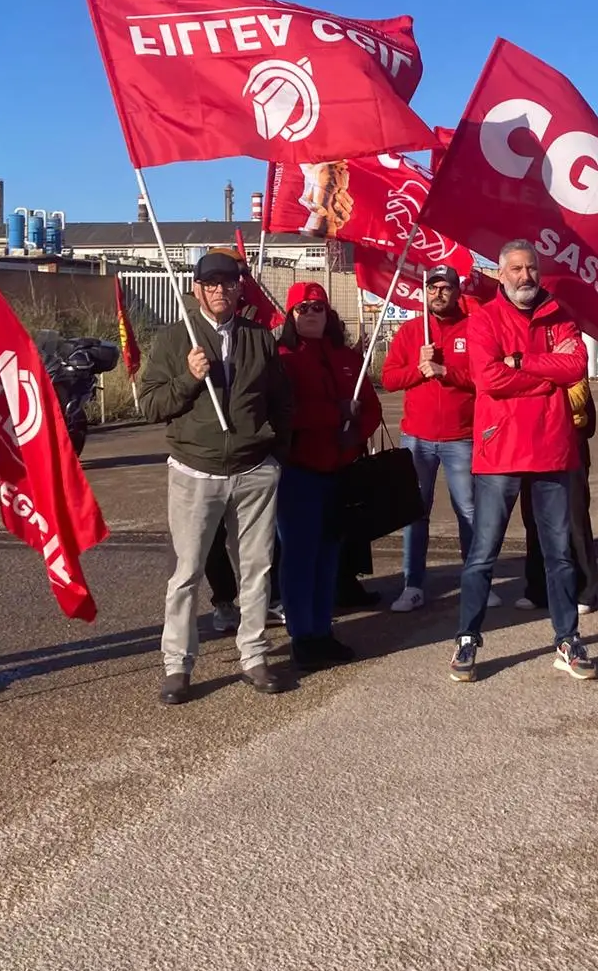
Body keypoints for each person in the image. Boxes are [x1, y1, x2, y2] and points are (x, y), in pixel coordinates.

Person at [138, 251, 294, 704]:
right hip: (194, 471)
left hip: (253, 472)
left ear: (239, 287)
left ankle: (254, 655)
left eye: (227, 282)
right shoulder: (174, 340)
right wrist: (189, 377)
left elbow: (282, 403)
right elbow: (151, 405)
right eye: (210, 283)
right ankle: (177, 665)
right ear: (196, 288)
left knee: (256, 570)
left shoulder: (260, 339)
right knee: (186, 574)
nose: (219, 290)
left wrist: (274, 454)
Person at [450, 240, 598, 683]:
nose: (524, 276)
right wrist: (544, 383)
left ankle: (567, 639)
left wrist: (524, 362)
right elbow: (489, 378)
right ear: (500, 274)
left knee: (559, 555)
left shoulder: (560, 316)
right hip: (501, 451)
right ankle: (467, 638)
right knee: (483, 554)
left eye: (531, 268)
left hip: (553, 449)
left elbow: (576, 366)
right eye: (515, 269)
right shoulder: (484, 320)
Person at [274, 281, 383, 669]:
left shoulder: (349, 359)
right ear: (290, 315)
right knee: (299, 558)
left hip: (341, 472)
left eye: (317, 307)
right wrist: (334, 414)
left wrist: (356, 432)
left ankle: (323, 630)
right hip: (299, 475)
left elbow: (370, 408)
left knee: (329, 556)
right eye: (302, 308)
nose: (311, 313)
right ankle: (302, 636)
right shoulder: (281, 359)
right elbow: (284, 414)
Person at [379, 265, 478, 613]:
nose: (439, 293)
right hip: (416, 438)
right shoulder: (410, 332)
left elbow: (484, 378)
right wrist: (418, 370)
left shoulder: (473, 329)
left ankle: (475, 581)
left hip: (461, 438)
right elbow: (389, 379)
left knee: (468, 510)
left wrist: (445, 371)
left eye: (446, 288)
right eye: (433, 287)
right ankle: (413, 584)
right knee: (415, 512)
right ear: (424, 293)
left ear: (456, 292)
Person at [520, 376, 597, 612]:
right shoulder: (523, 357)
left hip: (568, 442)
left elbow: (576, 400)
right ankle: (537, 589)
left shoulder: (569, 357)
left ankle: (585, 590)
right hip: (531, 443)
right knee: (533, 518)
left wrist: (537, 395)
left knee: (575, 518)